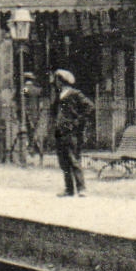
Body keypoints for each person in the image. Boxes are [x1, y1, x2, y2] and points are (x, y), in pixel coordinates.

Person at [50, 69, 94, 197]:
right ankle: (69, 189)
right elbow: (54, 112)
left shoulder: (75, 94)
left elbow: (90, 107)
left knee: (73, 159)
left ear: (62, 81)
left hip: (71, 132)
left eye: (57, 80)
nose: (55, 83)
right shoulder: (59, 95)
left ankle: (81, 188)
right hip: (60, 132)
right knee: (63, 162)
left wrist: (77, 121)